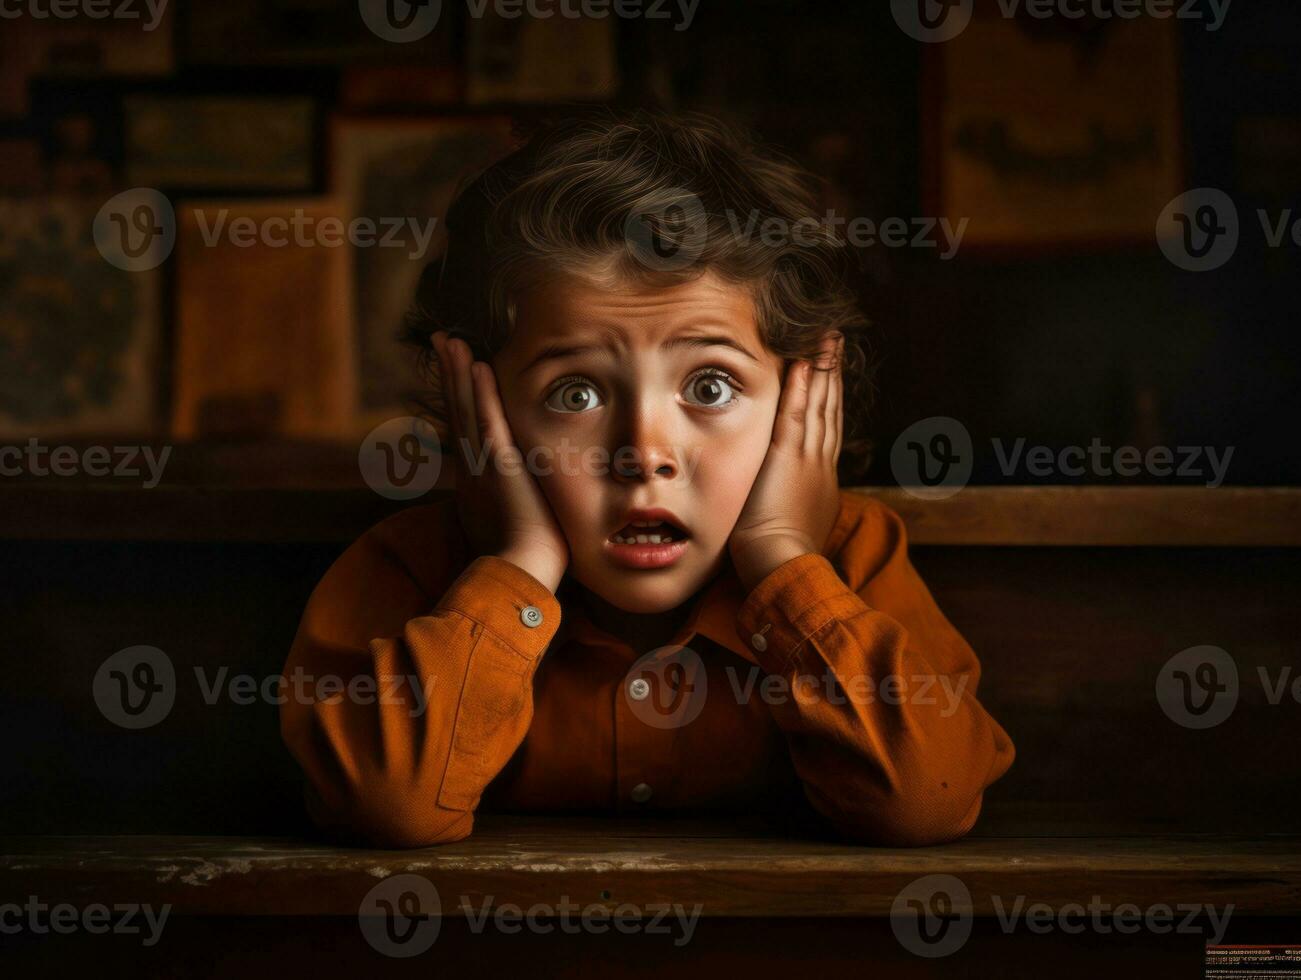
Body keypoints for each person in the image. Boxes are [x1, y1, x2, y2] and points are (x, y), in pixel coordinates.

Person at [280, 110, 1014, 848]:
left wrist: (782, 555)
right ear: (479, 408)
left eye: (711, 387)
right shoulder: (411, 569)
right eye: (576, 394)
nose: (643, 452)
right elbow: (385, 804)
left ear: (802, 399)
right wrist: (519, 564)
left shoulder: (850, 559)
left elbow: (925, 799)